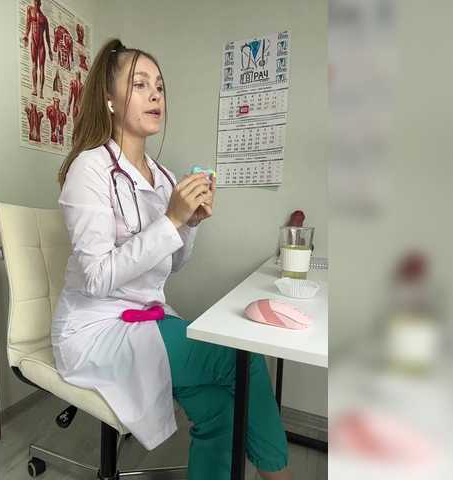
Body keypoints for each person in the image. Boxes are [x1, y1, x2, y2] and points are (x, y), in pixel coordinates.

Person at [52, 38, 290, 480]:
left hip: (146, 317)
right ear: (109, 99)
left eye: (159, 86)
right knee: (241, 357)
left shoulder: (163, 178)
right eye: (139, 84)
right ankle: (280, 475)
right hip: (96, 328)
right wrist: (172, 219)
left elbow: (174, 264)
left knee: (221, 411)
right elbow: (98, 277)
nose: (155, 95)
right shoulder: (90, 169)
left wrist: (189, 223)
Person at [23, 0, 53, 97]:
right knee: (34, 65)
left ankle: (41, 91)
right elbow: (28, 24)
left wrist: (50, 50)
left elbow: (47, 36)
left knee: (42, 67)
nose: (36, 3)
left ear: (40, 3)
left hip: (41, 45)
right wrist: (26, 36)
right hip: (34, 42)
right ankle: (35, 89)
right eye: (35, 2)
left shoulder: (44, 18)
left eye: (37, 2)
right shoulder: (30, 10)